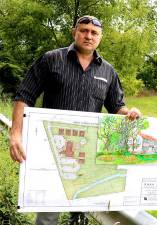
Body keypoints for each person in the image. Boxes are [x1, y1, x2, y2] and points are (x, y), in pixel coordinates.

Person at [9, 15, 141, 225]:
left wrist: (129, 113)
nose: (89, 36)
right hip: (52, 149)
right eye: (84, 30)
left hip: (87, 154)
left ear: (100, 37)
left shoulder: (108, 71)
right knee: (47, 217)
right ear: (74, 33)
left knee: (80, 215)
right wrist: (15, 134)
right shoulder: (51, 59)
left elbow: (117, 106)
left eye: (94, 32)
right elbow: (24, 96)